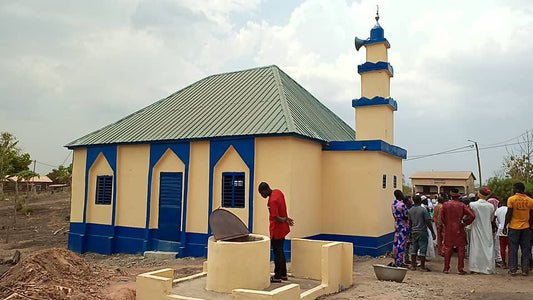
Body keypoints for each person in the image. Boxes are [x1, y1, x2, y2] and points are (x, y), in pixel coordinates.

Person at [258, 182, 294, 282]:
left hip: (276, 230)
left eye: (262, 193)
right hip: (283, 229)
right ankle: (283, 274)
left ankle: (277, 276)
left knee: (277, 253)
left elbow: (276, 217)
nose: (262, 196)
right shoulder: (278, 192)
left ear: (265, 190)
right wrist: (286, 219)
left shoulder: (272, 201)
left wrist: (285, 219)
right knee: (281, 251)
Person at [442, 188, 475, 274]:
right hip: (459, 228)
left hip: (449, 229)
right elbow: (472, 215)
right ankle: (460, 268)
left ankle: (446, 268)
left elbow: (442, 217)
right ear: (458, 195)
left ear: (450, 195)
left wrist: (446, 224)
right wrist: (465, 223)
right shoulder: (462, 205)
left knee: (448, 249)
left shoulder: (445, 205)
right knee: (461, 249)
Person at [503, 182, 533, 276]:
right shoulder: (530, 200)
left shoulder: (512, 199)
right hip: (526, 227)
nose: (513, 190)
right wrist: (530, 226)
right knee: (526, 249)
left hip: (514, 227)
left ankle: (513, 269)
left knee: (513, 249)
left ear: (517, 189)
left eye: (513, 188)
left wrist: (505, 225)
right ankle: (525, 270)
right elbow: (532, 215)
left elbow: (509, 214)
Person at [468, 187, 496, 274]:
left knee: (476, 247)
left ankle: (475, 267)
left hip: (476, 227)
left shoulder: (472, 204)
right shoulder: (491, 206)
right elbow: (491, 219)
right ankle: (488, 267)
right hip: (487, 228)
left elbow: (470, 216)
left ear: (479, 194)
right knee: (487, 247)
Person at [408, 195, 436, 272]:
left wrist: (409, 232)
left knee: (414, 248)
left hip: (414, 231)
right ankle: (422, 267)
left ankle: (413, 265)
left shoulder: (410, 210)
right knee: (423, 249)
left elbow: (409, 222)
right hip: (422, 231)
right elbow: (428, 221)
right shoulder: (423, 210)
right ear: (420, 200)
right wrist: (433, 232)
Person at [391, 190, 409, 267]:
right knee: (401, 244)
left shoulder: (393, 204)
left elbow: (393, 214)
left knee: (395, 243)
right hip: (403, 225)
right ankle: (400, 261)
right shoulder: (402, 205)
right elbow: (406, 215)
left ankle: (395, 259)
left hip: (397, 224)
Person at [494, 198, 509, 268]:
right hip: (509, 229)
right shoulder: (509, 209)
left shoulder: (498, 210)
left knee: (502, 247)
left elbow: (495, 220)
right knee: (510, 248)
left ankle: (503, 262)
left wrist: (497, 227)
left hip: (500, 230)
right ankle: (511, 263)